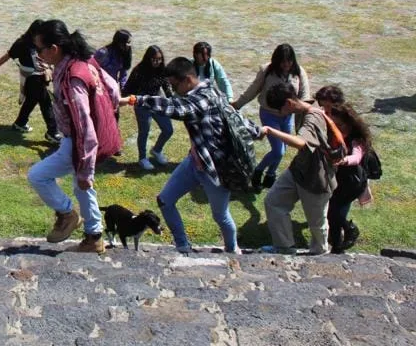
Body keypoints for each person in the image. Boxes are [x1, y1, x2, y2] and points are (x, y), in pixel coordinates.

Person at [121, 57, 261, 254]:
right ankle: (183, 246)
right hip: (195, 161)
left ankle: (232, 251)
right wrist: (255, 130)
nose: (173, 91)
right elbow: (232, 114)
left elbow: (177, 108)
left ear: (187, 80)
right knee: (165, 200)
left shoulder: (202, 98)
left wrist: (136, 99)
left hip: (215, 170)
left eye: (174, 85)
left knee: (220, 216)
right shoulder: (208, 89)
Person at [28, 20, 118, 253]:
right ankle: (94, 237)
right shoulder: (85, 60)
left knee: (38, 176)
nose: (38, 54)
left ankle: (67, 213)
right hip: (100, 136)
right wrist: (107, 111)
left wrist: (85, 166)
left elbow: (83, 125)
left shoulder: (72, 78)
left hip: (80, 142)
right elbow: (114, 89)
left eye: (40, 49)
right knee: (83, 187)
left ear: (54, 49)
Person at [260, 84, 341, 255]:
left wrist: (270, 131)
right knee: (273, 201)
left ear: (289, 103)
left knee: (316, 223)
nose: (279, 113)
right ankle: (284, 247)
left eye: (279, 109)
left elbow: (301, 142)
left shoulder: (313, 117)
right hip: (298, 170)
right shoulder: (302, 108)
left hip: (317, 178)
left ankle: (320, 253)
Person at [233, 43, 311, 191]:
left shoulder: (299, 72)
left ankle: (270, 174)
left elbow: (305, 97)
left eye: (289, 60)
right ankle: (258, 170)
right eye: (283, 61)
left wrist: (306, 114)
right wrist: (237, 104)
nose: (286, 64)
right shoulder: (267, 70)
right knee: (278, 151)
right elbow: (253, 89)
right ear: (277, 60)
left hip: (287, 117)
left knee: (283, 148)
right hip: (269, 115)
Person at [0, 20, 60, 143]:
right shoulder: (22, 43)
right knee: (46, 104)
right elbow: (9, 55)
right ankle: (52, 132)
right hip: (32, 78)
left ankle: (20, 123)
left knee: (32, 100)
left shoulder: (42, 43)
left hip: (40, 77)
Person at [321, 93, 371, 253]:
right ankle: (337, 244)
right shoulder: (332, 134)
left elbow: (356, 157)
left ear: (350, 124)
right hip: (338, 181)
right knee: (333, 213)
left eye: (341, 126)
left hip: (351, 184)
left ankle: (346, 234)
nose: (338, 129)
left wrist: (344, 160)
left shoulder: (357, 139)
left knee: (334, 213)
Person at [123, 46, 176, 170]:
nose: (157, 62)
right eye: (154, 59)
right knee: (144, 131)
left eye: (159, 59)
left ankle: (157, 150)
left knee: (168, 129)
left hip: (158, 102)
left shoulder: (162, 69)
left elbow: (166, 84)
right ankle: (142, 158)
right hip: (142, 105)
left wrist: (170, 96)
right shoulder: (139, 70)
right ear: (148, 58)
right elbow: (128, 88)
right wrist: (132, 98)